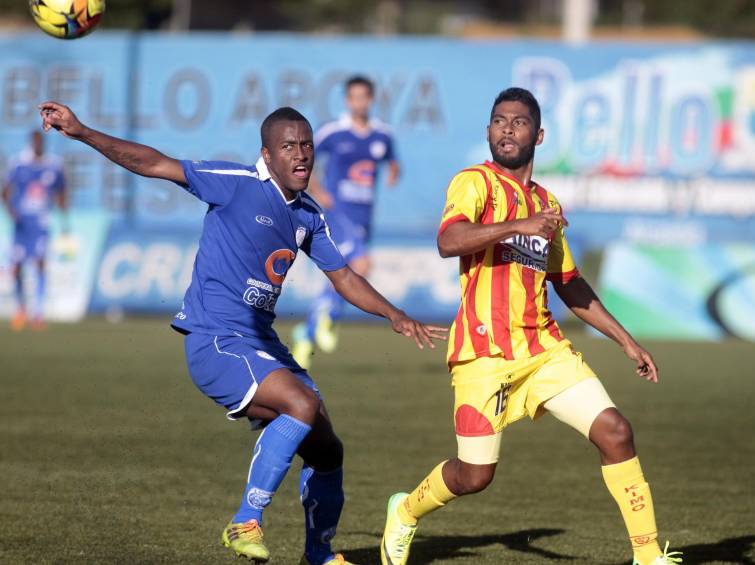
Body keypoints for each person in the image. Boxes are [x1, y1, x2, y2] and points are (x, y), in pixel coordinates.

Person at [38, 101, 446, 565]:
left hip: (260, 342)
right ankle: (245, 520)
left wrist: (395, 315)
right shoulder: (235, 185)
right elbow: (153, 163)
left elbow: (344, 278)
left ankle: (319, 555)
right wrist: (84, 131)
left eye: (307, 145)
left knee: (327, 448)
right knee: (301, 404)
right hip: (215, 339)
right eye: (288, 146)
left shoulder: (308, 214)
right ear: (266, 155)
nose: (301, 155)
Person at [380, 88, 682, 565]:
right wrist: (517, 226)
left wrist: (627, 341)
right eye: (499, 120)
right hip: (482, 354)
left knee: (616, 432)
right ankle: (406, 511)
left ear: (537, 135)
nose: (507, 128)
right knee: (474, 476)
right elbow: (448, 240)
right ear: (487, 130)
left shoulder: (548, 205)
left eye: (518, 122)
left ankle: (648, 556)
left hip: (544, 351)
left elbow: (570, 284)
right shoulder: (474, 183)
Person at [292, 75, 400, 369]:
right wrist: (317, 189)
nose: (359, 102)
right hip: (337, 212)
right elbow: (303, 158)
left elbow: (392, 161)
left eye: (364, 97)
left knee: (348, 272)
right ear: (347, 101)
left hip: (364, 216)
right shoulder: (334, 133)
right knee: (361, 266)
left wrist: (392, 173)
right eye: (354, 97)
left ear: (371, 100)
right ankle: (329, 318)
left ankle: (309, 331)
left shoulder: (382, 135)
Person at [2, 130, 67, 331]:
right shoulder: (19, 163)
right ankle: (21, 308)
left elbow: (61, 190)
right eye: (36, 142)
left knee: (39, 263)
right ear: (31, 143)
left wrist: (64, 213)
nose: (38, 145)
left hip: (41, 223)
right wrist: (11, 212)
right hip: (22, 224)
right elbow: (5, 190)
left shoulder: (53, 165)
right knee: (16, 267)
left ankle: (38, 313)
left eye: (41, 142)